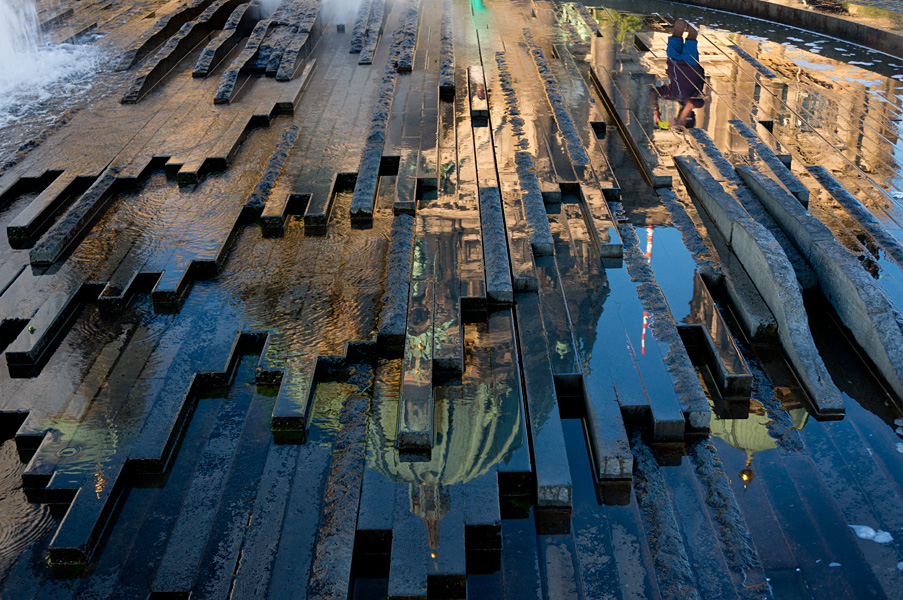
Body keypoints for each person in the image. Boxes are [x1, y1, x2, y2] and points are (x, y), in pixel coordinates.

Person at [650, 19, 706, 130]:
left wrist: (655, 111)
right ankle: (696, 16)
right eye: (686, 118)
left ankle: (682, 15)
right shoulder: (698, 102)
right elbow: (690, 103)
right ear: (690, 117)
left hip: (673, 61)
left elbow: (653, 91)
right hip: (689, 63)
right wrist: (680, 121)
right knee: (691, 37)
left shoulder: (672, 95)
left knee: (676, 34)